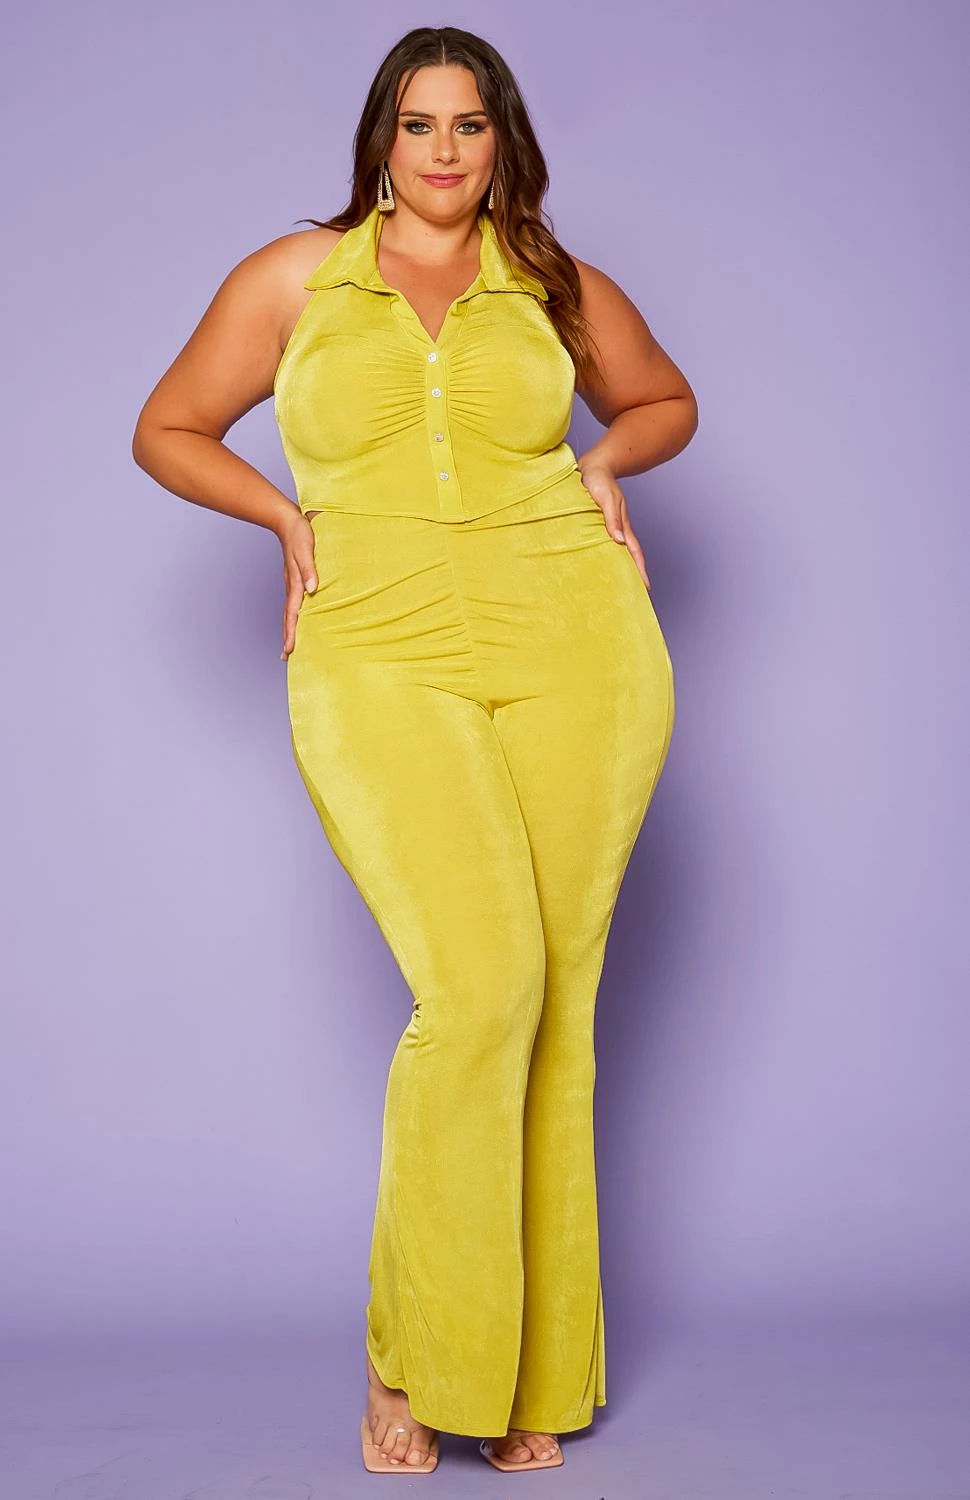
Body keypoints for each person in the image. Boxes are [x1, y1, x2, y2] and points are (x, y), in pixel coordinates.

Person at [132, 24, 697, 1477]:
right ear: (379, 139)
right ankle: (416, 1361)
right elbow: (169, 428)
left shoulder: (551, 282)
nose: (444, 151)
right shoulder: (294, 278)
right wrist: (284, 516)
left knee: (557, 1004)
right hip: (375, 645)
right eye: (418, 123)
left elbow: (664, 401)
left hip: (576, 644)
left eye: (469, 125)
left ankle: (527, 1375)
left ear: (502, 141)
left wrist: (600, 463)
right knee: (480, 989)